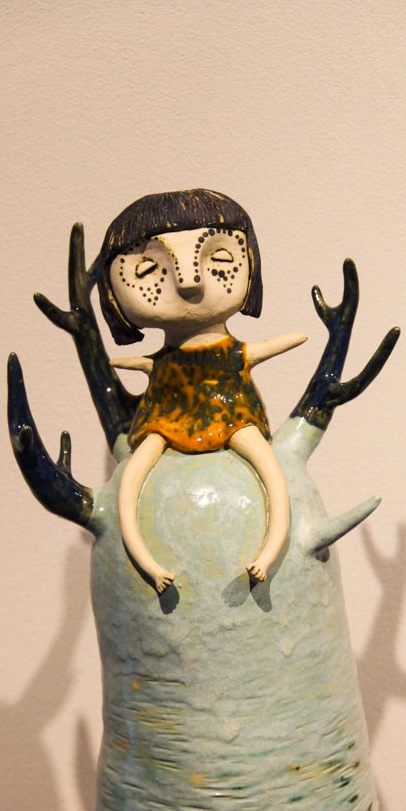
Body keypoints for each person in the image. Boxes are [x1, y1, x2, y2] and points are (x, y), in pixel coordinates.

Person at [97, 189, 306, 593]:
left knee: (272, 474)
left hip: (232, 410)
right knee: (130, 482)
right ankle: (147, 563)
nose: (188, 279)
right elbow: (149, 365)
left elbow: (264, 348)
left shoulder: (231, 354)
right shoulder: (166, 363)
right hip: (166, 414)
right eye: (147, 269)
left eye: (220, 259)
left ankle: (268, 554)